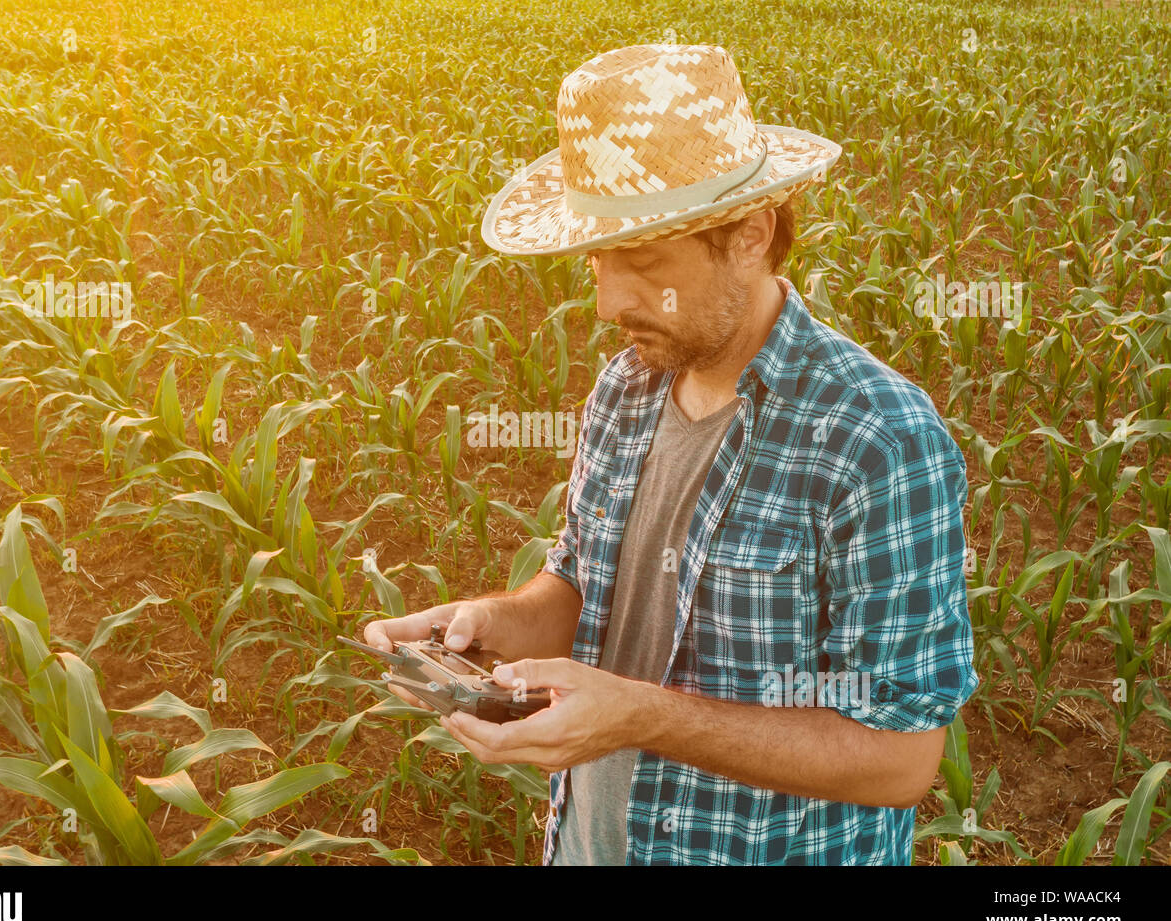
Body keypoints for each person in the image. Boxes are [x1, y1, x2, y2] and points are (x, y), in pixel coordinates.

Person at [364, 43, 978, 865]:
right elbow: (580, 582)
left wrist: (647, 715)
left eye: (646, 263)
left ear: (752, 234)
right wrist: (491, 626)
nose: (609, 302)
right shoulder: (627, 387)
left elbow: (901, 758)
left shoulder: (875, 439)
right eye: (597, 262)